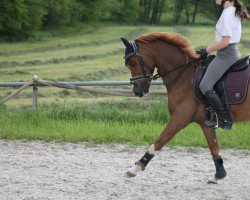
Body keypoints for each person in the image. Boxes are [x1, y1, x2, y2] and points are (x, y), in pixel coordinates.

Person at [196, 0, 250, 130]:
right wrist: (206, 50)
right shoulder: (230, 11)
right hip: (229, 52)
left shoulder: (227, 14)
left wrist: (207, 51)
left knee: (204, 85)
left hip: (226, 55)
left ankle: (225, 118)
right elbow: (219, 39)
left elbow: (225, 42)